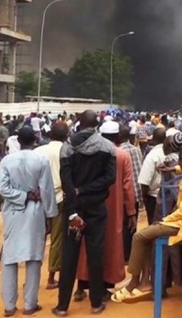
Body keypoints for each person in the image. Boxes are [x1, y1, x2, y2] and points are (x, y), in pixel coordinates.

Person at [111, 142, 182, 303]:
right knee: (147, 238)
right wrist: (173, 169)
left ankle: (134, 282)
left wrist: (164, 220)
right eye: (181, 159)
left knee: (139, 236)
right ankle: (144, 282)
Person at [53, 111, 116, 316]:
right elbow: (110, 178)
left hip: (73, 209)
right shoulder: (107, 147)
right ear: (96, 124)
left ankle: (62, 306)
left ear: (79, 123)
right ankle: (96, 303)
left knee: (69, 255)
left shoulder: (67, 147)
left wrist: (74, 199)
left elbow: (66, 181)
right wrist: (88, 189)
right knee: (95, 254)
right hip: (96, 208)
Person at [73, 121, 137, 303]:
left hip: (90, 203)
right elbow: (127, 187)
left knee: (86, 243)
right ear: (118, 137)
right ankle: (102, 287)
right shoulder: (123, 156)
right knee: (110, 244)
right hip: (113, 208)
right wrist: (131, 211)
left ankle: (81, 286)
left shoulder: (92, 152)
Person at [0, 126, 57, 316]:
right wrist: (50, 215)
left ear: (18, 141)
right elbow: (47, 190)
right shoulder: (40, 160)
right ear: (34, 141)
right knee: (34, 257)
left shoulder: (6, 161)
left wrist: (22, 196)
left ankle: (9, 306)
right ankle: (30, 304)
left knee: (9, 258)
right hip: (35, 212)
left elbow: (3, 189)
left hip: (13, 212)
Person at [34, 121, 69, 290]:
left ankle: (32, 277)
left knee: (37, 238)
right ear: (66, 136)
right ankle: (51, 277)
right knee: (57, 238)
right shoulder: (67, 151)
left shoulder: (38, 151)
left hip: (38, 199)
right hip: (59, 198)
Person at [119, 124, 144, 261]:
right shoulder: (136, 150)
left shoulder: (118, 151)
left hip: (124, 192)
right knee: (132, 225)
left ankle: (123, 254)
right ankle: (131, 254)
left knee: (122, 225)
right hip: (135, 191)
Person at [137, 126, 167, 224]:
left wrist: (144, 198)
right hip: (170, 195)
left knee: (154, 226)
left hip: (154, 198)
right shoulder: (170, 153)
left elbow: (144, 181)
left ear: (153, 140)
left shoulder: (152, 156)